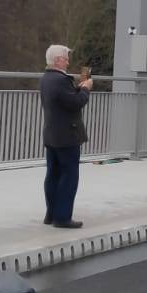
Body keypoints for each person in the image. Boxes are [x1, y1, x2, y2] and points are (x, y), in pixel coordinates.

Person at [40, 45, 92, 229]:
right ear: (57, 60)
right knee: (69, 176)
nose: (68, 62)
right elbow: (75, 103)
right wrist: (85, 89)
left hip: (52, 133)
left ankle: (51, 214)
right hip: (67, 135)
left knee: (53, 174)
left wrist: (77, 88)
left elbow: (63, 99)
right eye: (65, 58)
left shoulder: (47, 78)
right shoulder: (61, 80)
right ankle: (62, 217)